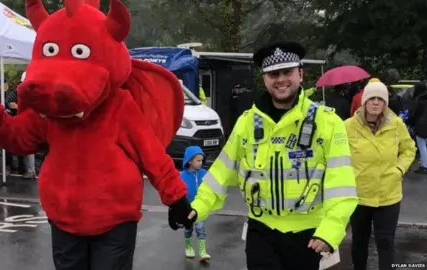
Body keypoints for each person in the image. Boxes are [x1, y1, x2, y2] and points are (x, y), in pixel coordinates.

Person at [0, 0, 193, 269]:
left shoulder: (119, 106)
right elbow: (17, 137)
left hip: (114, 221)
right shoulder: (49, 110)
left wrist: (176, 198)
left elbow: (151, 154)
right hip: (64, 218)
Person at [179, 41, 359, 270]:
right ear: (264, 78)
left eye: (287, 72)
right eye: (273, 73)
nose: (281, 79)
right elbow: (220, 172)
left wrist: (330, 231)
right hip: (261, 232)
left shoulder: (328, 123)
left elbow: (342, 185)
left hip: (310, 236)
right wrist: (198, 208)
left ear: (301, 74)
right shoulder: (246, 123)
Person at [344, 79, 416, 270]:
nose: (376, 102)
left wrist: (399, 169)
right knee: (359, 241)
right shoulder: (348, 126)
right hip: (359, 195)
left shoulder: (396, 124)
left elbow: (409, 149)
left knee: (385, 242)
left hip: (388, 195)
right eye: (372, 98)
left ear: (385, 103)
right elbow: (337, 154)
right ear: (364, 101)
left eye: (380, 99)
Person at [180, 146, 211, 261]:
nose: (201, 163)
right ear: (189, 161)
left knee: (200, 228)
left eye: (202, 160)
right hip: (188, 209)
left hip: (200, 209)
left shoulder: (204, 173)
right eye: (198, 160)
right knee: (188, 228)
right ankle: (188, 246)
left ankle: (202, 251)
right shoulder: (182, 176)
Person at [406, 82, 427, 174]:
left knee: (422, 146)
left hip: (421, 125)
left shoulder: (419, 99)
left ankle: (424, 166)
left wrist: (408, 122)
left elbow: (414, 113)